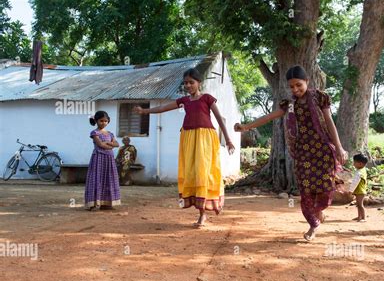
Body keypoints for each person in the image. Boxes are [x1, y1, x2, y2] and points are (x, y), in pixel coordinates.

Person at [234, 65, 347, 241]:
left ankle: (319, 209)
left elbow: (329, 122)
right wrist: (246, 127)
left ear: (307, 82)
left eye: (298, 85)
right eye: (291, 86)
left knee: (325, 188)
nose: (295, 89)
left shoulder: (319, 97)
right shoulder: (290, 104)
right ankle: (313, 225)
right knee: (306, 190)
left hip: (324, 151)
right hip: (303, 153)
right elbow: (270, 117)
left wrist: (339, 147)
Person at [134, 68, 235, 228]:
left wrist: (228, 140)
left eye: (191, 82)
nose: (188, 85)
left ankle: (206, 212)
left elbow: (219, 119)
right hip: (188, 138)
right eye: (186, 83)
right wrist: (144, 111)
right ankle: (200, 211)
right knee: (191, 173)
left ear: (199, 83)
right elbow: (162, 108)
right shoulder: (184, 101)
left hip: (205, 138)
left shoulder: (207, 98)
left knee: (204, 172)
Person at [85, 111, 121, 210]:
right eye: (101, 121)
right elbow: (100, 145)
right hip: (99, 158)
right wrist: (110, 144)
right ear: (96, 121)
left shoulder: (110, 133)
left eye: (106, 121)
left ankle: (107, 203)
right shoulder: (94, 133)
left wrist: (108, 143)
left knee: (109, 178)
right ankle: (94, 203)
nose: (104, 123)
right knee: (97, 178)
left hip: (109, 159)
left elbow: (117, 144)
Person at [350, 153, 368, 222]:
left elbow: (355, 182)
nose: (353, 164)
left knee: (360, 205)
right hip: (360, 190)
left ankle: (363, 218)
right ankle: (359, 216)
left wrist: (350, 190)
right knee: (358, 204)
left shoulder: (359, 172)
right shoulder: (363, 170)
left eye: (355, 162)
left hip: (360, 191)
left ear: (360, 164)